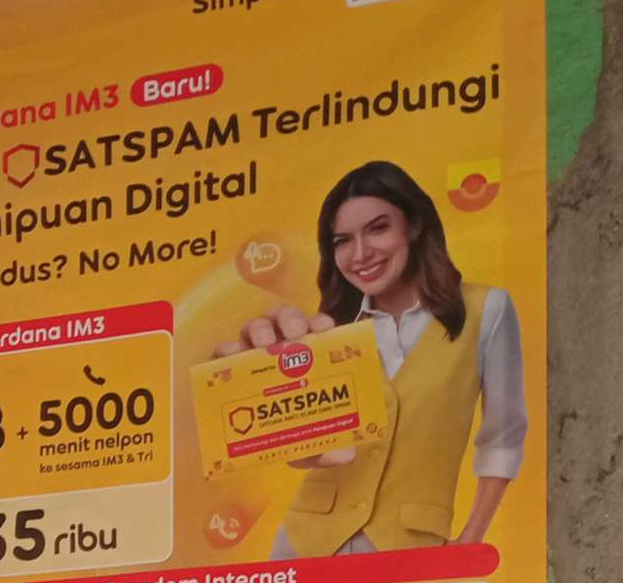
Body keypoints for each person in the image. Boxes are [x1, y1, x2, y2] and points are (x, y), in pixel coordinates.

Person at [212, 159, 527, 556]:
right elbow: (305, 451)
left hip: (411, 546)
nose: (360, 254)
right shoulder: (329, 330)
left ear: (414, 225)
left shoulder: (486, 310)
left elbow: (503, 434)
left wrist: (470, 539)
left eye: (378, 228)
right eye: (342, 241)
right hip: (305, 544)